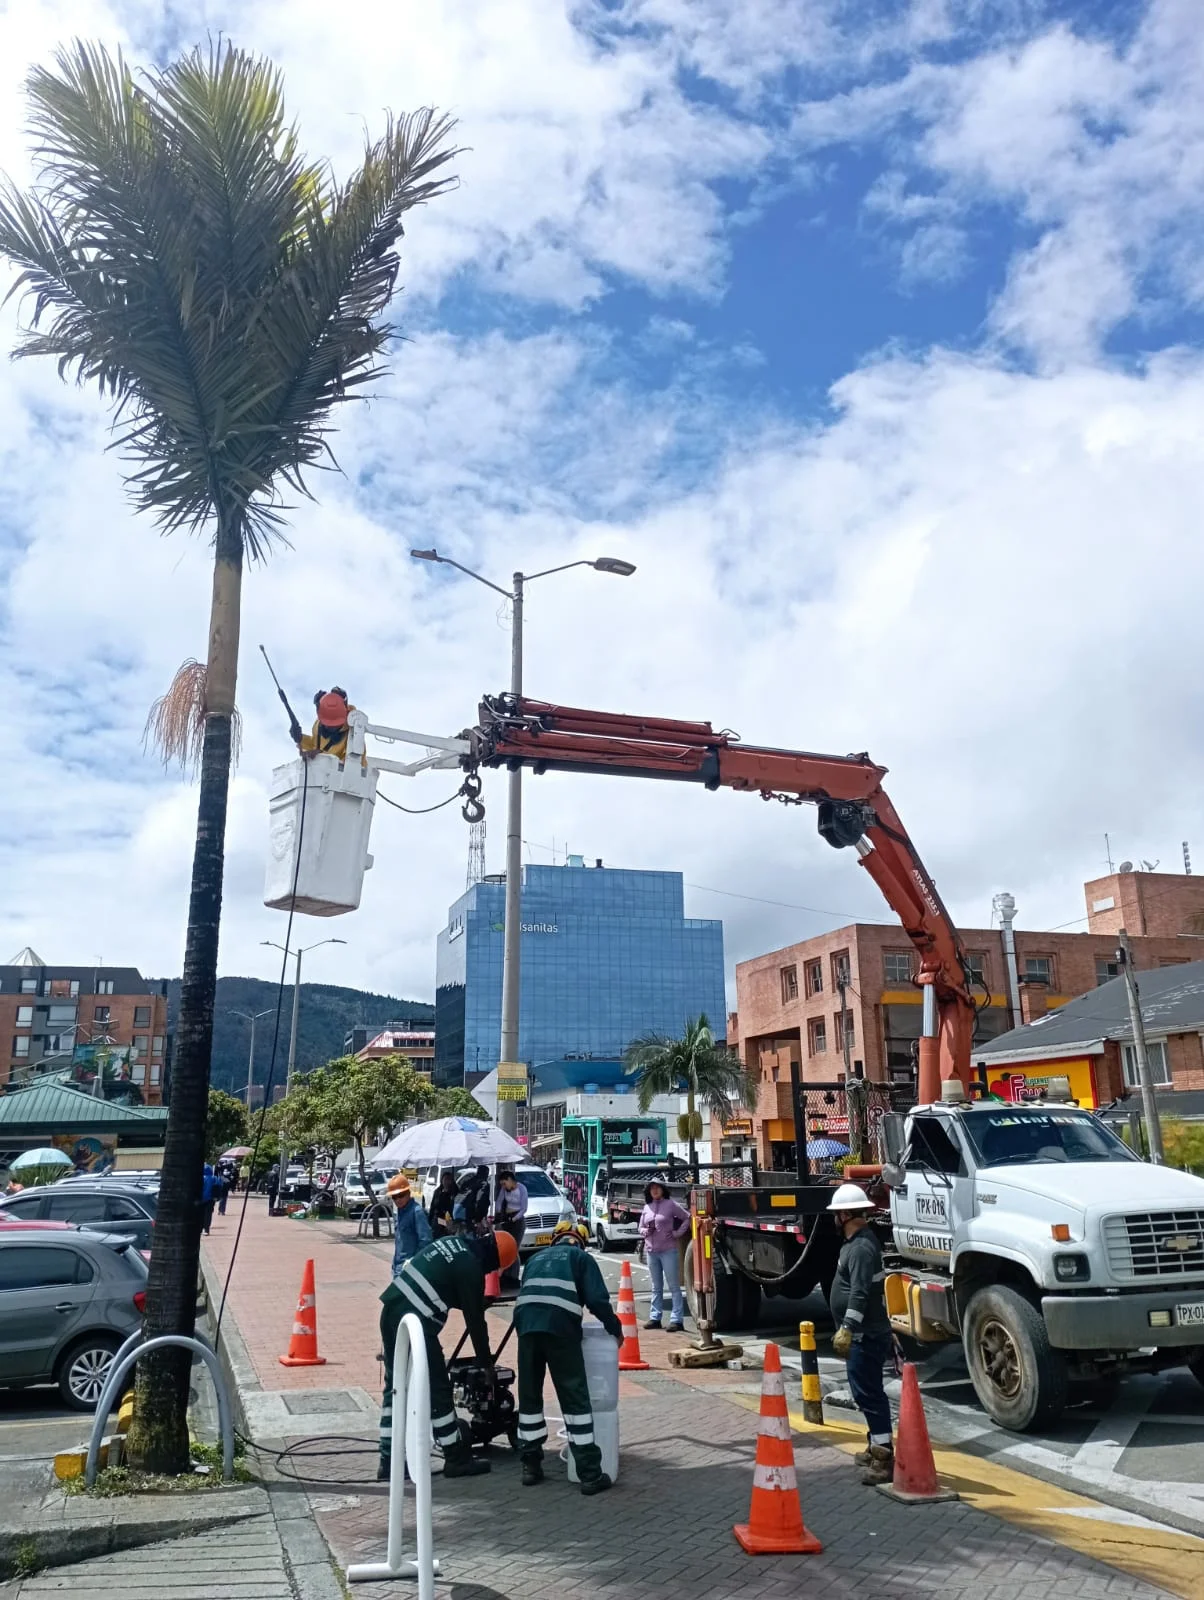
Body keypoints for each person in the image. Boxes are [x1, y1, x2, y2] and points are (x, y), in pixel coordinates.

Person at [378, 1229, 519, 1481]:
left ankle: (388, 1461)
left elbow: (442, 1282)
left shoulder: (453, 1243)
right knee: (439, 1387)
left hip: (391, 1311)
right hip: (416, 1321)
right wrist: (485, 1363)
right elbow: (475, 1322)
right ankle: (455, 1457)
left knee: (395, 1388)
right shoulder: (471, 1267)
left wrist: (471, 1299)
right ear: (495, 1261)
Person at [514, 1220, 622, 1495]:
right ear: (581, 1240)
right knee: (574, 1396)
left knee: (529, 1397)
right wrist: (615, 1329)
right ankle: (589, 1474)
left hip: (526, 1326)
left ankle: (530, 1465)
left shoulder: (536, 1257)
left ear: (555, 1239)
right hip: (560, 1328)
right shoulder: (580, 1257)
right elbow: (597, 1300)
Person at [827, 1182, 894, 1485]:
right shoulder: (855, 1244)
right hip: (862, 1335)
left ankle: (883, 1457)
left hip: (865, 1336)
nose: (835, 1219)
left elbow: (859, 1294)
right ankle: (874, 1445)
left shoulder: (862, 1248)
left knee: (869, 1394)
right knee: (864, 1392)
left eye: (837, 1213)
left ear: (847, 1214)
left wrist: (847, 1327)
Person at [639, 1174, 690, 1333]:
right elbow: (640, 1227)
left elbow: (687, 1218)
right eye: (652, 1188)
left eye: (657, 1188)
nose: (654, 1191)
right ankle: (655, 1318)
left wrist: (676, 1233)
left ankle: (676, 1320)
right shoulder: (647, 1207)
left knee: (674, 1286)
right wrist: (646, 1231)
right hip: (651, 1251)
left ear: (662, 1190)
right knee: (656, 1286)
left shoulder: (670, 1204)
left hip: (668, 1250)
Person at [387, 1174, 432, 1278]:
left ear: (408, 1193)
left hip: (411, 1269)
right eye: (394, 1197)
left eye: (401, 1195)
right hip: (398, 1267)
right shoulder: (399, 1212)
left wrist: (414, 1261)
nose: (398, 1200)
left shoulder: (417, 1212)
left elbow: (426, 1240)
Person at [493, 1169, 528, 1283]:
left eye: (504, 1183)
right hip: (507, 1219)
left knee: (514, 1248)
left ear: (510, 1180)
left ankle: (514, 1276)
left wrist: (514, 1218)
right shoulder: (504, 1190)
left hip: (517, 1220)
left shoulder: (521, 1189)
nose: (504, 1186)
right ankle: (505, 1275)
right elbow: (499, 1202)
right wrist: (498, 1214)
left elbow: (524, 1208)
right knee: (505, 1246)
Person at [427, 1170, 458, 1239]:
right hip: (438, 1220)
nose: (447, 1182)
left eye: (449, 1179)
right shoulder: (438, 1192)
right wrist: (429, 1221)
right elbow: (433, 1208)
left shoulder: (454, 1192)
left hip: (451, 1222)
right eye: (445, 1179)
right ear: (442, 1180)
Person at [201, 1163, 217, 1235]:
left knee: (201, 1214)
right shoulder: (214, 1178)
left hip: (201, 1199)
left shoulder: (201, 1178)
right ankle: (206, 1230)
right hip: (211, 1199)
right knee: (208, 1215)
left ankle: (200, 1228)